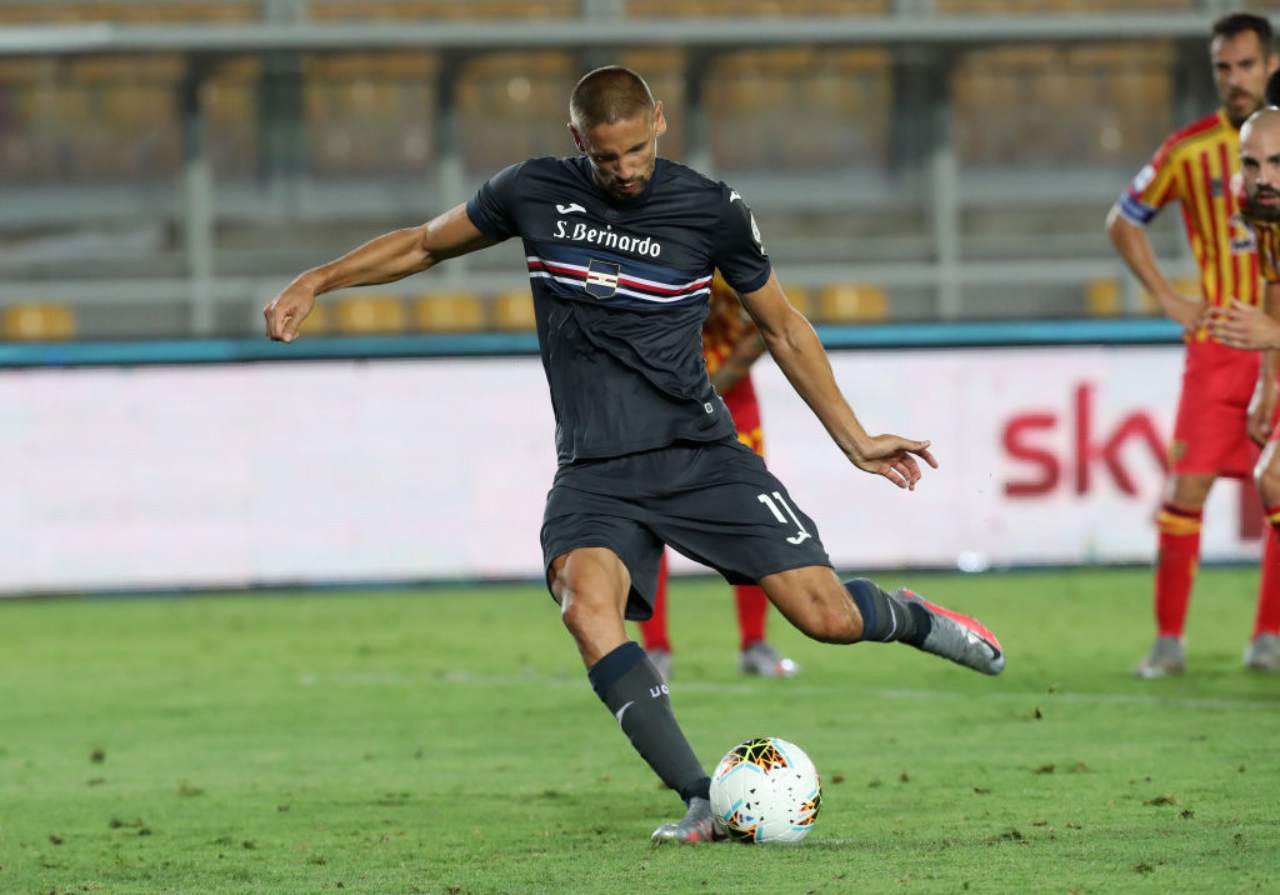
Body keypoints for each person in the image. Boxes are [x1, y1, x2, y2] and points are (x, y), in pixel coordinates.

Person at [264, 66, 1003, 844]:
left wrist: (853, 437)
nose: (624, 170)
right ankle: (700, 797)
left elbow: (781, 325)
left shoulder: (711, 210)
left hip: (698, 454)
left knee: (826, 617)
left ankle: (913, 617)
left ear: (659, 120)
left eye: (636, 151)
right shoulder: (534, 192)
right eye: (607, 157)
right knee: (585, 607)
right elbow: (423, 244)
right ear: (577, 139)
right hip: (596, 472)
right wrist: (320, 279)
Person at [1105, 12, 1280, 678]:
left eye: (1245, 65)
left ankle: (1269, 634)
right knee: (1187, 488)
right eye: (1222, 68)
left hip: (1277, 343)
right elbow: (1123, 221)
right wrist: (1170, 298)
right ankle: (1169, 639)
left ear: (1270, 64)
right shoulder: (1188, 150)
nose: (1234, 80)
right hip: (1217, 347)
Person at [639, 272, 799, 682]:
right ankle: (655, 648)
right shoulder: (647, 251)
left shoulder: (729, 257)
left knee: (750, 518)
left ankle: (755, 643)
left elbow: (766, 327)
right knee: (647, 520)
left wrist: (710, 388)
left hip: (731, 400)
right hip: (660, 401)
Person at [1211, 106, 1280, 670]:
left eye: (1279, 163)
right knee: (1274, 477)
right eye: (1253, 163)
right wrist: (1268, 380)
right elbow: (1272, 287)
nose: (1265, 177)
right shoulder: (1260, 210)